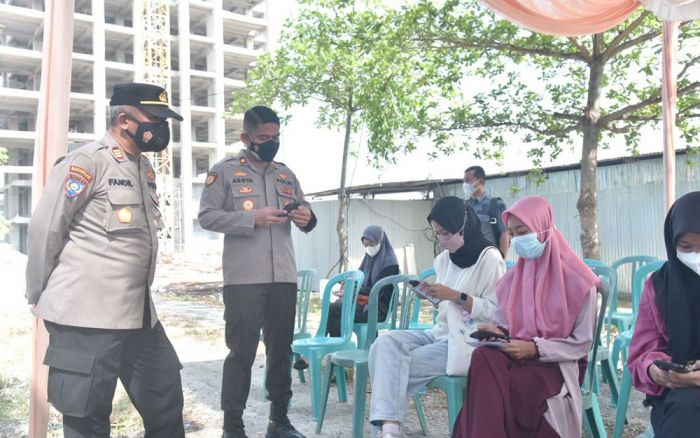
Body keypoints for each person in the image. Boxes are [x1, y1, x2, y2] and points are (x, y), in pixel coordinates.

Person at [25, 83, 185, 437]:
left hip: (138, 314)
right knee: (88, 418)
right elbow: (44, 229)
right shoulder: (86, 162)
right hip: (86, 316)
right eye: (155, 119)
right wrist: (38, 292)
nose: (162, 127)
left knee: (166, 401)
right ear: (124, 119)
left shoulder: (142, 168)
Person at [198, 105, 317, 438]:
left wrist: (306, 218)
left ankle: (279, 421)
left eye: (276, 136)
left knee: (282, 352)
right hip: (244, 281)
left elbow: (306, 212)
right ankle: (233, 427)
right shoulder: (224, 172)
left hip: (283, 278)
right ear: (245, 137)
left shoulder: (285, 174)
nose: (271, 142)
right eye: (264, 137)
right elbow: (207, 216)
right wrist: (252, 219)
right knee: (242, 354)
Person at [453, 195, 601, 438]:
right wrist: (497, 332)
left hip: (555, 363)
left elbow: (581, 344)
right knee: (482, 356)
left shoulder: (580, 282)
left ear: (543, 227)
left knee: (507, 387)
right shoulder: (513, 279)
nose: (517, 240)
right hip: (515, 353)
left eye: (522, 231)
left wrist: (535, 349)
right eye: (512, 234)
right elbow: (505, 323)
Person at [368, 196, 505, 438]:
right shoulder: (444, 260)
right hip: (440, 332)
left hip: (468, 339)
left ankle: (389, 430)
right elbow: (444, 309)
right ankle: (391, 425)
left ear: (463, 226)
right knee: (385, 344)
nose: (441, 240)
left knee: (396, 365)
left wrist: (456, 296)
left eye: (446, 233)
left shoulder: (490, 258)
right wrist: (432, 295)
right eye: (437, 234)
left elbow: (497, 312)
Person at [627, 191, 700, 437]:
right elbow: (642, 352)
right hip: (678, 392)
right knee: (684, 408)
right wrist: (655, 370)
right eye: (686, 246)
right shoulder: (659, 286)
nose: (697, 255)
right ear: (672, 243)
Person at [328, 225, 400, 336]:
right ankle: (337, 349)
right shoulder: (368, 259)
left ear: (380, 242)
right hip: (365, 304)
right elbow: (358, 278)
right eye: (365, 245)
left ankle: (322, 342)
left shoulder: (390, 264)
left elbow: (378, 290)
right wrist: (347, 285)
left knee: (332, 308)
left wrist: (353, 291)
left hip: (378, 309)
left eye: (371, 244)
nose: (368, 248)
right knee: (337, 322)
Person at [464, 165, 509, 257]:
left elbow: (504, 233)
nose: (465, 184)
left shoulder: (495, 204)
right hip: (469, 259)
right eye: (464, 181)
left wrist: (502, 259)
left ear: (480, 181)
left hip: (489, 258)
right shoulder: (464, 206)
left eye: (468, 180)